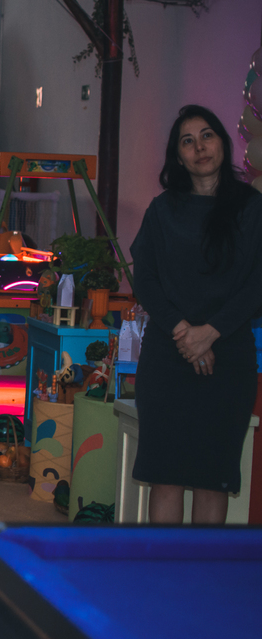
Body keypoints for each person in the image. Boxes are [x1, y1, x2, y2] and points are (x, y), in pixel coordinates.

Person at [130, 104, 262, 524]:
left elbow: (259, 282)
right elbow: (145, 280)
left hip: (229, 357)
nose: (199, 147)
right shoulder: (162, 210)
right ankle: (162, 581)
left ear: (223, 142)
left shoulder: (252, 207)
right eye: (187, 141)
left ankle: (199, 584)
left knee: (212, 478)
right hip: (168, 356)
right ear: (178, 155)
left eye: (207, 135)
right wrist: (186, 332)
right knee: (165, 477)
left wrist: (212, 332)